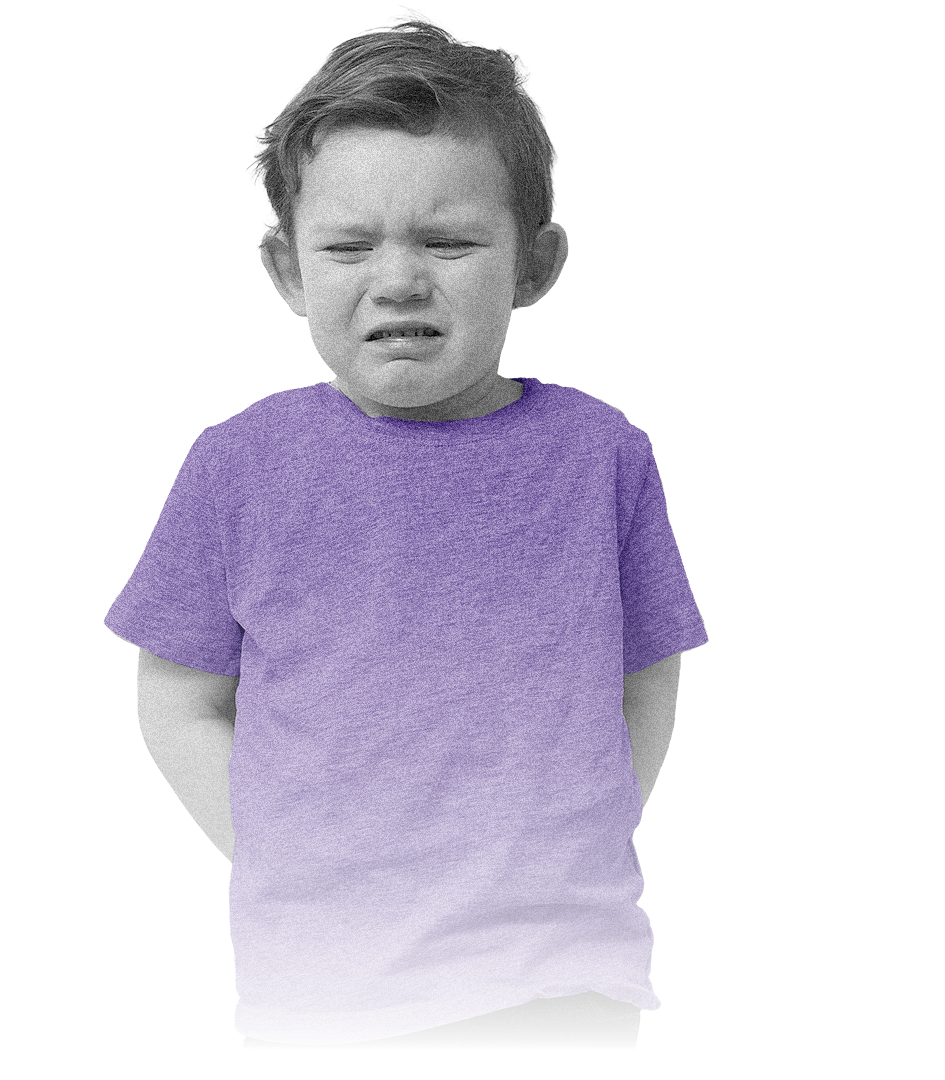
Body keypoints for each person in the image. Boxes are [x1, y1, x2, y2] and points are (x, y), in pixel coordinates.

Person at [105, 7, 708, 1048]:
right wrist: (276, 852)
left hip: (563, 977)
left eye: (448, 241)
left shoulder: (603, 452)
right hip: (322, 997)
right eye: (349, 246)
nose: (398, 281)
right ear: (288, 272)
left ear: (534, 263)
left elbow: (649, 672)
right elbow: (174, 691)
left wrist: (585, 839)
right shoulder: (239, 463)